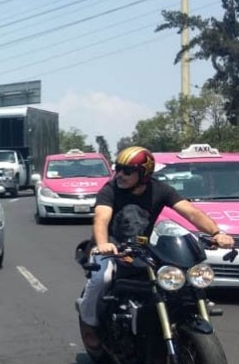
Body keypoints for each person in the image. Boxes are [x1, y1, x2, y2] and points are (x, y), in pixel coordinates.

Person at [77, 146, 234, 350]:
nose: (120, 175)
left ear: (143, 174)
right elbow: (101, 218)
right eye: (118, 169)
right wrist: (102, 244)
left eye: (127, 171)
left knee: (176, 279)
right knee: (102, 279)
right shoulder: (110, 190)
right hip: (110, 247)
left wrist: (216, 233)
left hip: (142, 247)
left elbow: (191, 213)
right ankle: (89, 323)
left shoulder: (161, 190)